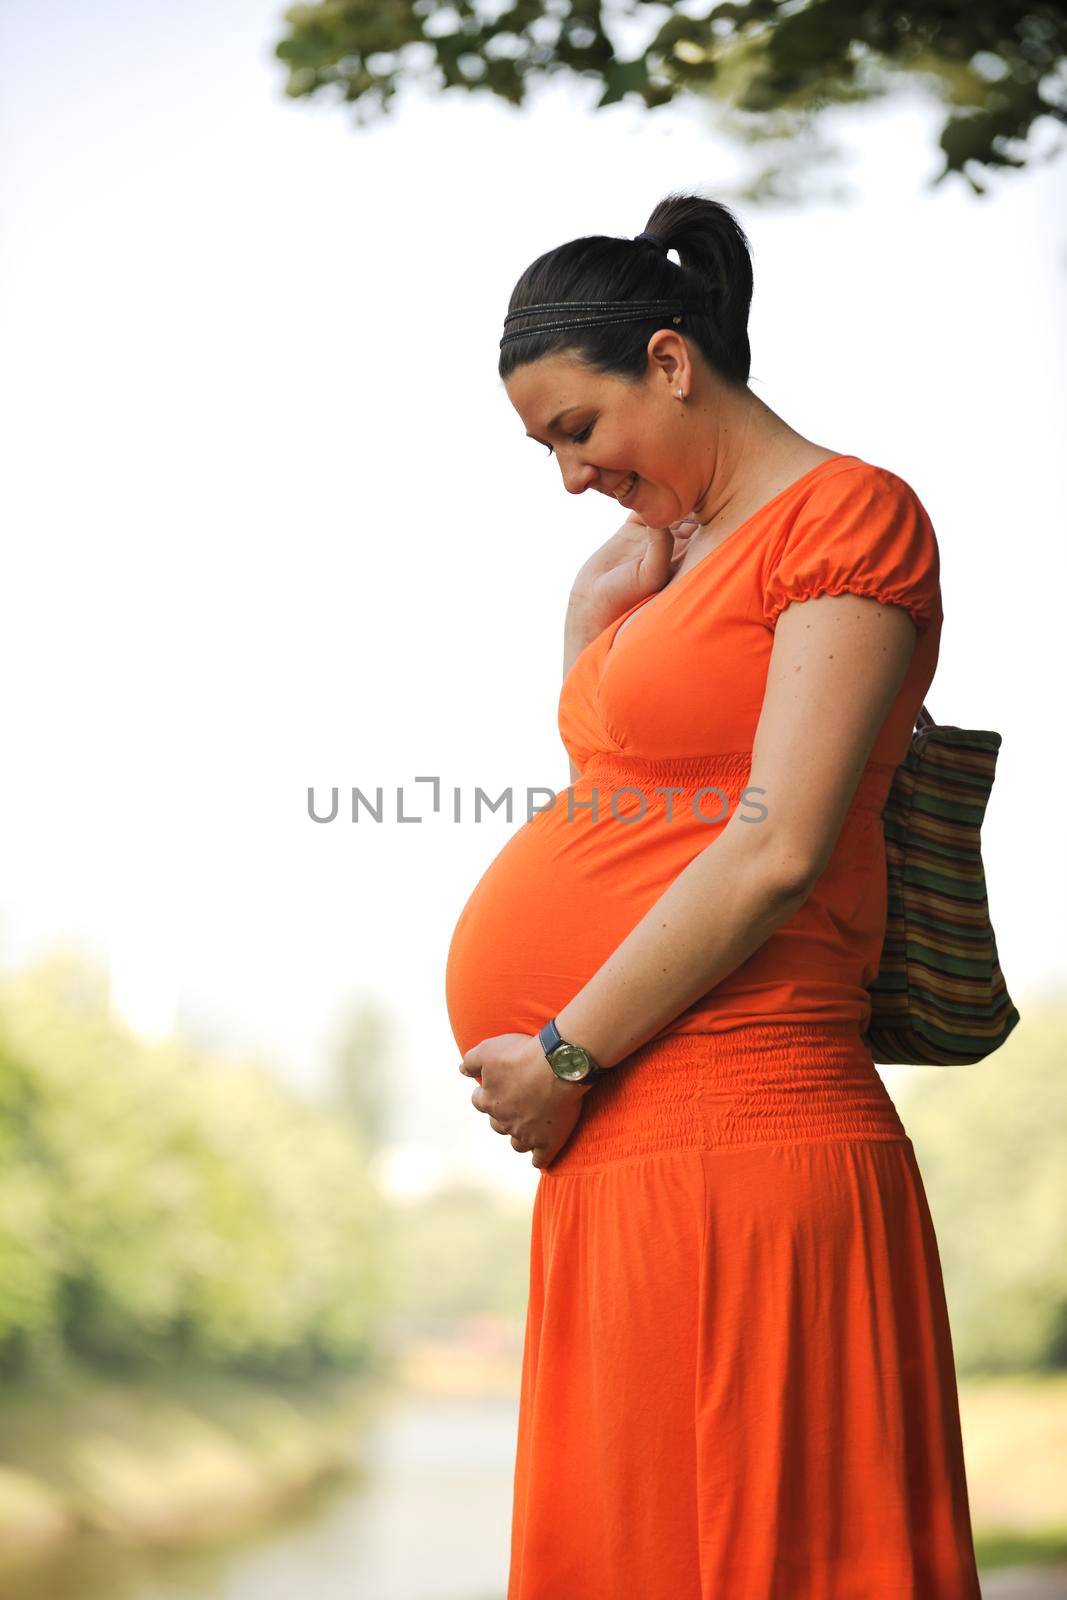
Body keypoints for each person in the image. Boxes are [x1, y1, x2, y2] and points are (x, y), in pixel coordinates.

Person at [444, 190, 983, 1599]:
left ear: (672, 362)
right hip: (618, 1149)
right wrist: (591, 626)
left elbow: (774, 845)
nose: (568, 476)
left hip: (735, 1130)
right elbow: (626, 805)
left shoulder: (849, 519)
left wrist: (563, 1050)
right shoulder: (675, 564)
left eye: (579, 430)